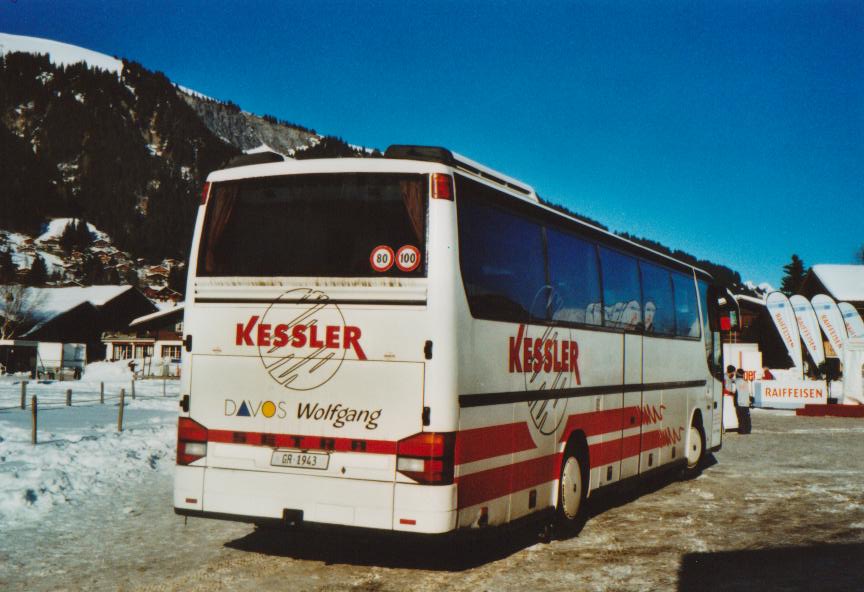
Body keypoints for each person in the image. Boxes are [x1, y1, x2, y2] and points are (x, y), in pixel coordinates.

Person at [734, 368, 752, 434]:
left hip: (739, 402)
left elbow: (732, 391)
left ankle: (742, 430)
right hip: (746, 402)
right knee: (746, 418)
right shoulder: (746, 382)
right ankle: (748, 430)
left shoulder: (736, 382)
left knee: (741, 418)